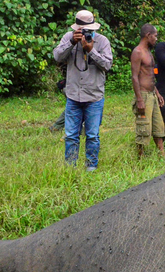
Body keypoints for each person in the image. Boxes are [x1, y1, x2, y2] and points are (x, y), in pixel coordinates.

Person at [53, 10, 112, 171]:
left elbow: (107, 65)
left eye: (89, 30)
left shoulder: (102, 41)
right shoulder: (68, 37)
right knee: (71, 136)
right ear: (76, 28)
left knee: (92, 135)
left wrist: (91, 50)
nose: (86, 33)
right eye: (83, 30)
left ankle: (91, 167)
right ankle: (70, 168)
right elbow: (57, 57)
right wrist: (72, 42)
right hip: (73, 96)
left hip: (94, 97)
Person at [131, 24, 165, 157]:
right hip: (143, 95)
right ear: (148, 35)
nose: (156, 39)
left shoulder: (149, 52)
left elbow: (149, 76)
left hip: (152, 95)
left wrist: (157, 93)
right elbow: (135, 77)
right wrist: (139, 99)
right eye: (155, 36)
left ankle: (162, 155)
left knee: (158, 128)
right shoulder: (137, 52)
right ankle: (140, 158)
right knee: (143, 128)